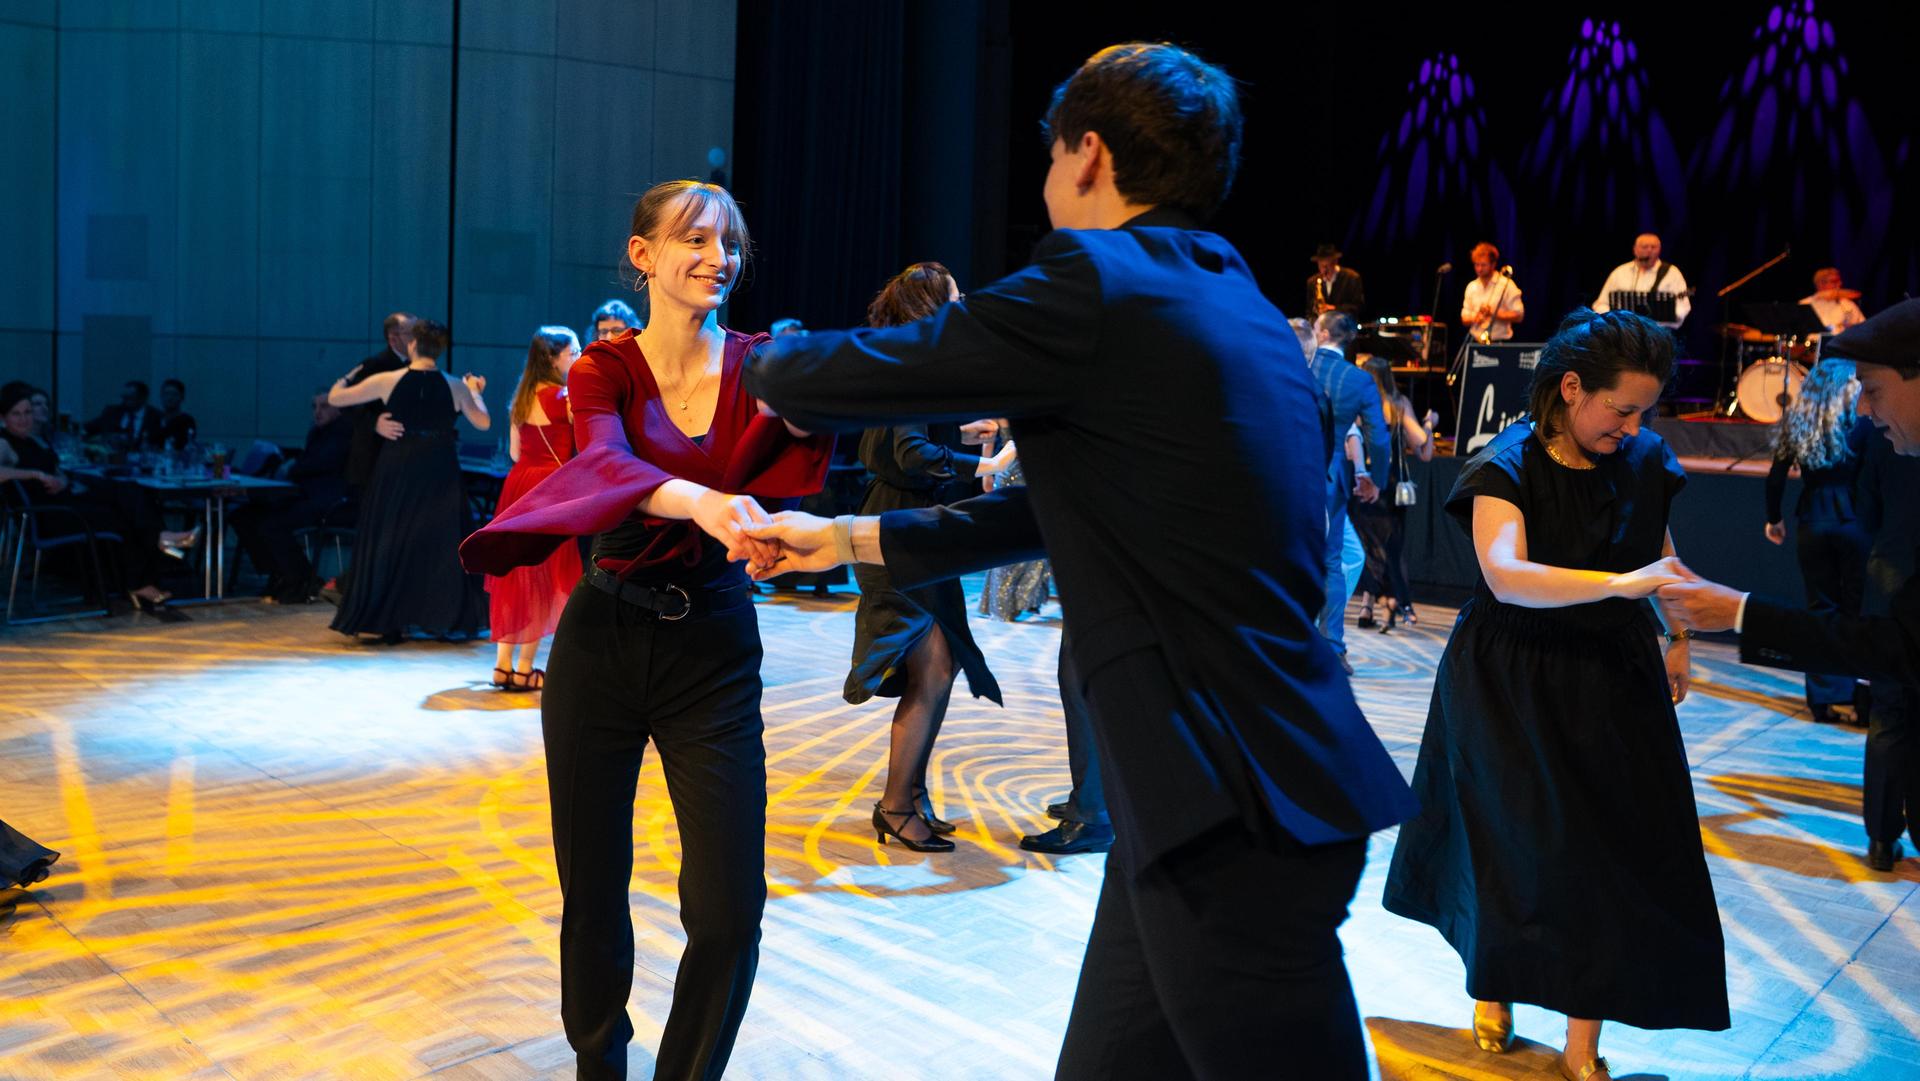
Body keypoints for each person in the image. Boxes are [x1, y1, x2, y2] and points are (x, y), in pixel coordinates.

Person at [742, 42, 1416, 1079]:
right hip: (1222, 789)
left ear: (1088, 153)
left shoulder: (1099, 279)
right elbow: (1065, 513)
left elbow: (863, 373)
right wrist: (844, 538)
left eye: (1051, 156)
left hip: (1225, 803)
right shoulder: (1227, 289)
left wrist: (747, 360)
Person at [459, 180, 832, 1081]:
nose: (718, 259)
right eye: (696, 239)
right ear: (643, 254)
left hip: (713, 642)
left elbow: (801, 444)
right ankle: (600, 1064)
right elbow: (608, 465)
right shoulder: (602, 370)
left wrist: (768, 527)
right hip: (604, 639)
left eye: (731, 244)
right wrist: (704, 502)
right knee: (593, 892)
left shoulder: (761, 364)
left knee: (730, 906)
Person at [1382, 309, 1727, 1081]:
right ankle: (1495, 983)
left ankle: (1581, 1045)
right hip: (1511, 678)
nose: (1636, 427)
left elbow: (1659, 550)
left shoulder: (1641, 456)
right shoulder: (1506, 464)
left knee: (1606, 860)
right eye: (1623, 408)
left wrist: (1678, 634)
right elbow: (1506, 572)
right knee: (1511, 850)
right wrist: (1621, 586)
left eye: (1647, 411)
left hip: (1613, 675)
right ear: (1572, 387)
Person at [1660, 299, 1920, 873]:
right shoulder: (1873, 438)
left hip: (1817, 527)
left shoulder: (1824, 426)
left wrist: (1740, 610)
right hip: (1849, 532)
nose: (1867, 409)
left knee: (1883, 696)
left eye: (1873, 389)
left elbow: (1891, 649)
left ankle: (1833, 718)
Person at [846, 262, 1014, 851]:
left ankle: (909, 797)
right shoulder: (907, 365)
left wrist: (965, 441)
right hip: (900, 536)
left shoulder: (902, 362)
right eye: (955, 296)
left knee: (937, 666)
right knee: (935, 668)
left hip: (905, 530)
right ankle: (897, 805)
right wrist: (981, 464)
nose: (963, 303)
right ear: (931, 305)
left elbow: (900, 445)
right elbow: (909, 453)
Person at [325, 319, 490, 641]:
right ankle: (439, 617)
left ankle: (388, 619)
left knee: (392, 538)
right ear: (440, 349)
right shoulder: (455, 385)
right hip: (439, 469)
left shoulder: (389, 379)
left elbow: (335, 398)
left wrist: (349, 374)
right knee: (438, 542)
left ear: (413, 345)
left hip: (398, 466)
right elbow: (482, 423)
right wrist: (474, 393)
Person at [0, 383, 196, 618]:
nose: (24, 419)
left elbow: (54, 468)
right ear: (3, 418)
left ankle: (148, 565)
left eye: (27, 412)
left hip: (64, 505)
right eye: (16, 414)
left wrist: (60, 478)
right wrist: (34, 474)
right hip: (49, 516)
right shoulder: (5, 442)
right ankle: (155, 552)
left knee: (127, 493)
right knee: (121, 508)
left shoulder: (32, 440)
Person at [1761, 357, 1873, 723]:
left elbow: (1776, 478)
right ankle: (1860, 702)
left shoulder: (1800, 420)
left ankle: (1824, 700)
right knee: (1856, 611)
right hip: (1855, 520)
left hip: (1812, 519)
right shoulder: (1861, 421)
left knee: (1821, 608)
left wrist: (1774, 519)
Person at [484, 326, 585, 691]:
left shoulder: (520, 399)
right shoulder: (567, 398)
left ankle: (502, 666)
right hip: (551, 487)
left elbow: (513, 453)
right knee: (547, 573)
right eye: (573, 351)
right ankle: (525, 669)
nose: (578, 356)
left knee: (517, 573)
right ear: (553, 358)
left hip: (519, 484)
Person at [1311, 311, 1390, 669]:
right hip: (1330, 479)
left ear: (1324, 333)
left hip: (1285, 473)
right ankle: (1333, 647)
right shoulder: (1358, 380)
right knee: (1331, 561)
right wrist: (1377, 479)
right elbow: (1380, 438)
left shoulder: (1301, 364)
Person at [230, 390, 353, 604]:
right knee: (244, 515)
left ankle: (301, 579)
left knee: (272, 524)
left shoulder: (344, 432)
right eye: (314, 406)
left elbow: (323, 462)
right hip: (304, 495)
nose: (317, 412)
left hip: (330, 502)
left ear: (339, 408)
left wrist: (292, 468)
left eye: (324, 406)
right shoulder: (317, 433)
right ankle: (279, 572)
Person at [1350, 356, 1437, 630]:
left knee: (1369, 545)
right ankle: (1394, 602)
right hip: (1392, 483)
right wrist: (1429, 424)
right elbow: (1421, 444)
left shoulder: (1359, 403)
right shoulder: (1398, 404)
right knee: (1391, 546)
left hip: (1364, 479)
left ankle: (1369, 604)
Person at [340, 313, 416, 496]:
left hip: (404, 458)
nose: (418, 338)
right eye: (412, 333)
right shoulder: (375, 365)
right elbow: (346, 403)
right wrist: (374, 422)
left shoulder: (418, 367)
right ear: (393, 338)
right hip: (375, 458)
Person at [1591, 233, 1690, 328]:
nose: (1649, 250)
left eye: (1653, 247)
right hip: (1625, 332)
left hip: (1659, 334)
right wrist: (1617, 317)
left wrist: (1665, 316)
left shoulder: (1672, 273)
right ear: (1635, 249)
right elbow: (1601, 304)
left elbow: (1683, 306)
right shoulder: (1619, 273)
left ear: (1660, 250)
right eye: (1644, 247)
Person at [1460, 242, 1524, 343]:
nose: (1479, 269)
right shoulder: (1471, 286)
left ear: (1493, 264)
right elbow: (1464, 318)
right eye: (1477, 265)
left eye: (1483, 265)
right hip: (1475, 342)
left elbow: (1519, 315)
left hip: (1499, 342)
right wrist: (1475, 317)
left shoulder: (1506, 284)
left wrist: (1494, 313)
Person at [82, 380, 163, 444]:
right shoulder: (111, 413)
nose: (124, 401)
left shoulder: (155, 417)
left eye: (129, 398)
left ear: (143, 398)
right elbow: (85, 429)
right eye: (123, 398)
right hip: (112, 459)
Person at [1800, 266, 1867, 335]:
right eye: (1834, 282)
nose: (1839, 284)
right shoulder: (1804, 304)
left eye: (1839, 281)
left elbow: (1864, 328)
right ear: (1821, 284)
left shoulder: (1847, 304)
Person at [1307, 243, 1365, 319]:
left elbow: (1358, 306)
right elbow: (1309, 311)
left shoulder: (1352, 277)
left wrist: (1333, 308)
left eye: (1327, 265)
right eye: (1321, 266)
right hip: (1321, 327)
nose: (1324, 270)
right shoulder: (1312, 281)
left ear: (1335, 262)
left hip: (1345, 327)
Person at [154, 378, 197, 449]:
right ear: (161, 396)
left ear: (182, 397)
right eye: (166, 394)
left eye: (174, 394)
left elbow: (185, 445)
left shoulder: (187, 421)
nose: (170, 398)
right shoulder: (153, 418)